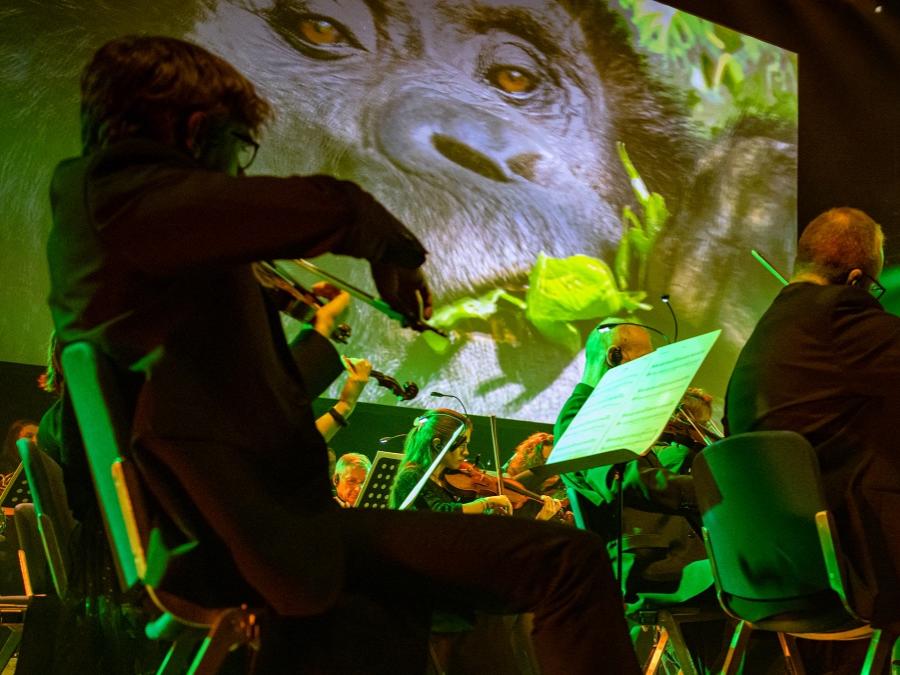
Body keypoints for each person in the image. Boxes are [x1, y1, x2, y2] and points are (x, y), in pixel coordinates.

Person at [47, 35, 639, 673]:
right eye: (237, 148)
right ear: (196, 130)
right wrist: (384, 243)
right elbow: (325, 208)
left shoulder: (125, 255)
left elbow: (234, 410)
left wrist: (307, 339)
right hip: (255, 542)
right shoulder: (114, 200)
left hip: (240, 533)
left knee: (417, 610)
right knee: (565, 562)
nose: (237, 175)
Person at [725, 207, 900, 633]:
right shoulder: (840, 313)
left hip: (768, 574)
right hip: (854, 566)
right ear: (857, 279)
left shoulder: (763, 336)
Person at [390, 408, 562, 520]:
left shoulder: (443, 480)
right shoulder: (412, 476)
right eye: (462, 445)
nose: (466, 453)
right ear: (438, 445)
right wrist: (486, 503)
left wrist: (539, 520)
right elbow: (440, 512)